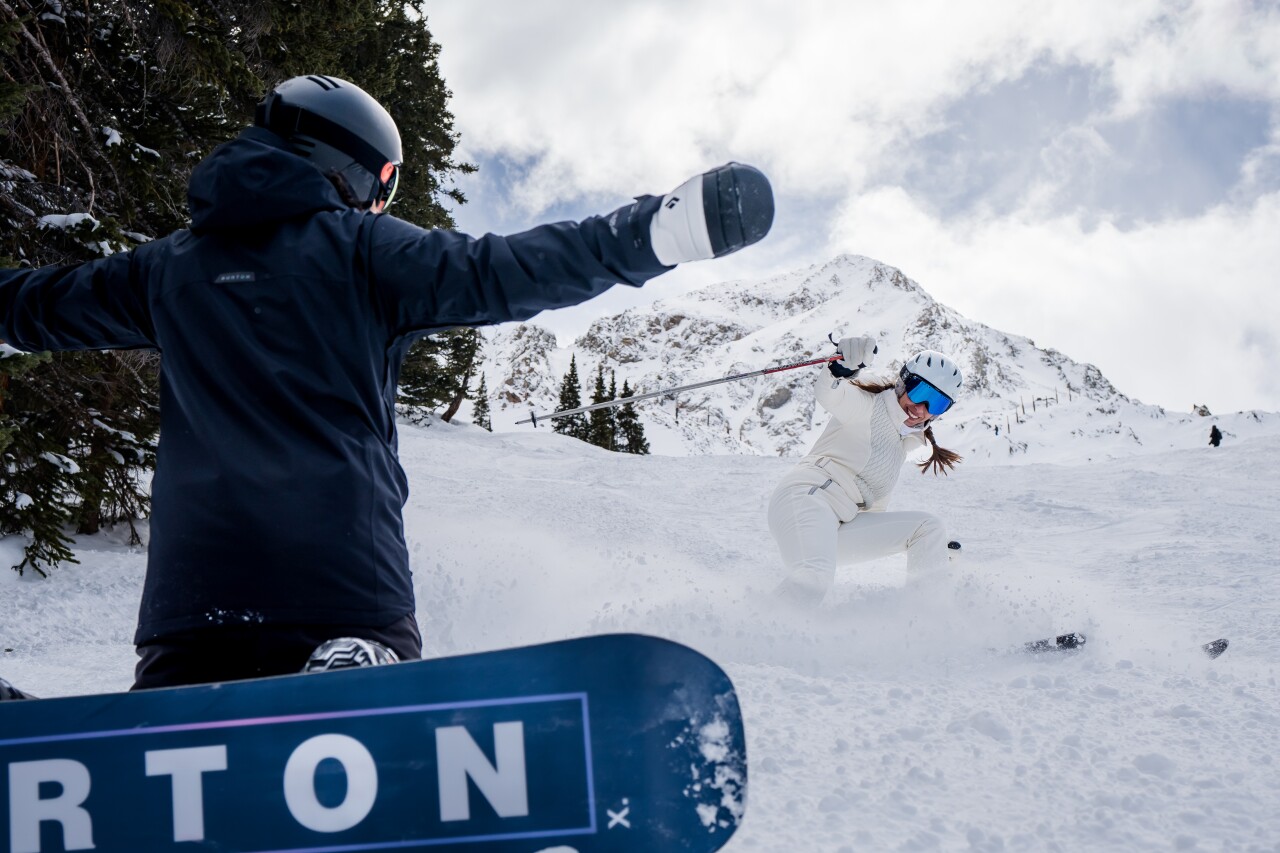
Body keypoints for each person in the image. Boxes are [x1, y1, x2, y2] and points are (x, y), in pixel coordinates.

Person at [0, 75, 774, 690]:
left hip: (192, 605)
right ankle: (355, 671)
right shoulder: (360, 247)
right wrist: (656, 232)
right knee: (365, 748)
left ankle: (147, 722)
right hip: (339, 588)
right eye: (383, 184)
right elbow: (500, 270)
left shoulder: (165, 269)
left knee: (180, 766)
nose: (379, 201)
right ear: (344, 165)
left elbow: (36, 307)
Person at [768, 335, 963, 606]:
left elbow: (874, 517)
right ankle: (749, 629)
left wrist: (932, 553)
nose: (922, 408)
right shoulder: (868, 406)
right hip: (807, 498)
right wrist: (839, 369)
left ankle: (925, 620)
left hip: (840, 522)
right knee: (813, 577)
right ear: (902, 384)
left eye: (937, 403)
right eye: (920, 393)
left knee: (927, 529)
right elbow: (830, 393)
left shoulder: (902, 442)